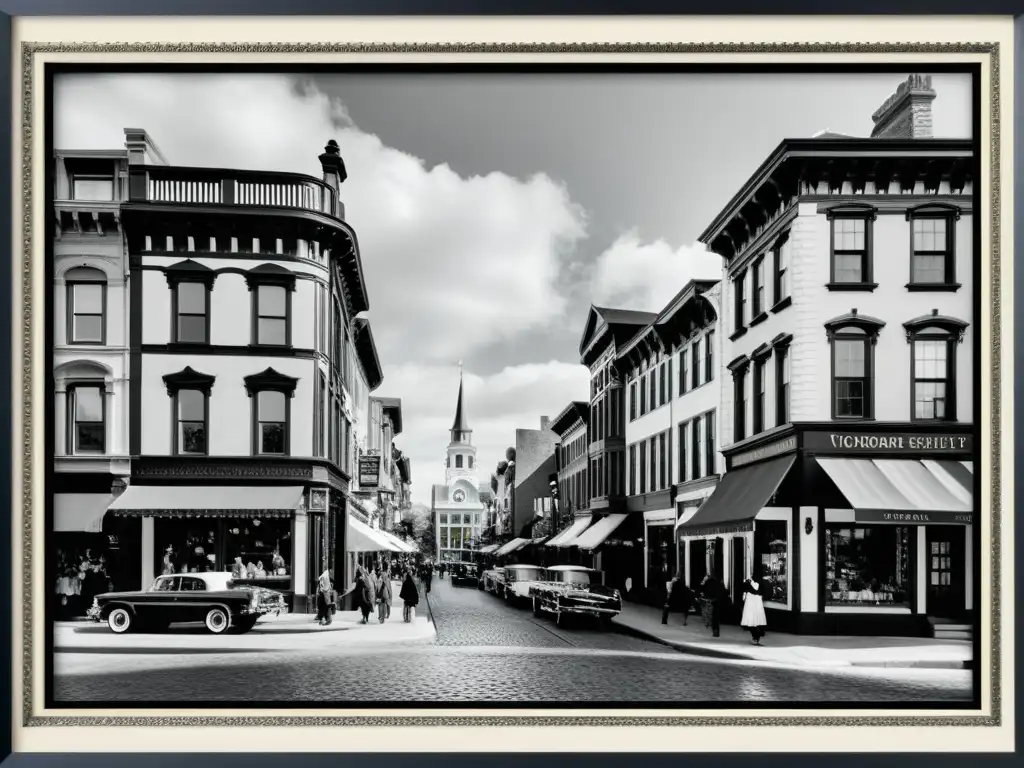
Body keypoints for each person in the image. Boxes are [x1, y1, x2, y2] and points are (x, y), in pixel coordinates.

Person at [740, 570, 768, 645]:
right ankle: (757, 634)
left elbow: (751, 589)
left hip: (751, 602)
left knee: (750, 621)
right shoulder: (762, 583)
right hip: (757, 602)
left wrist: (748, 582)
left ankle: (756, 634)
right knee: (755, 620)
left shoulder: (750, 583)